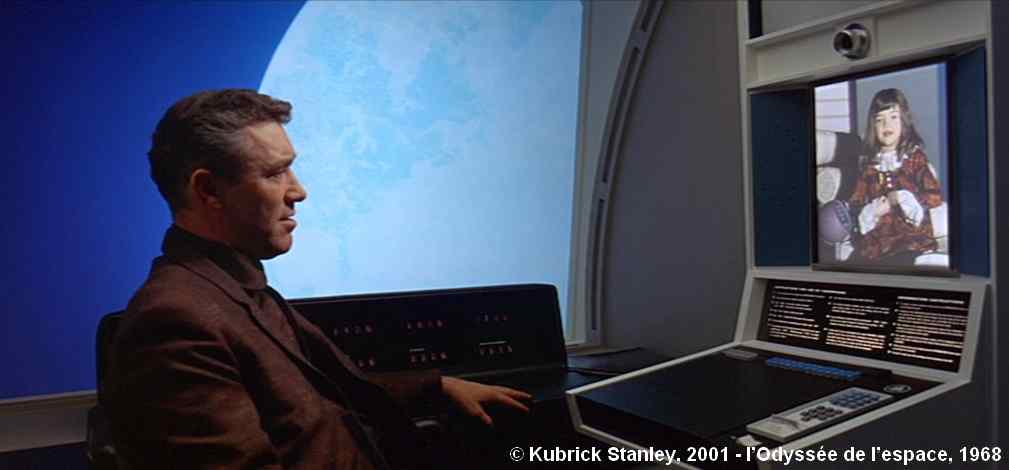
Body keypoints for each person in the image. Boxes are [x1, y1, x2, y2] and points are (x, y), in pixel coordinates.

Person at [106, 89, 531, 470]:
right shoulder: (175, 323)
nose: (299, 192)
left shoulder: (230, 287)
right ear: (208, 191)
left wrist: (437, 387)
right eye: (275, 174)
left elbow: (317, 393)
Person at [847, 88, 944, 265]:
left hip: (911, 239)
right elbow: (856, 201)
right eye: (879, 120)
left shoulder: (914, 159)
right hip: (876, 243)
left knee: (903, 259)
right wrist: (873, 211)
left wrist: (901, 198)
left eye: (893, 117)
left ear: (904, 121)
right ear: (873, 126)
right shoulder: (870, 166)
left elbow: (934, 197)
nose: (887, 125)